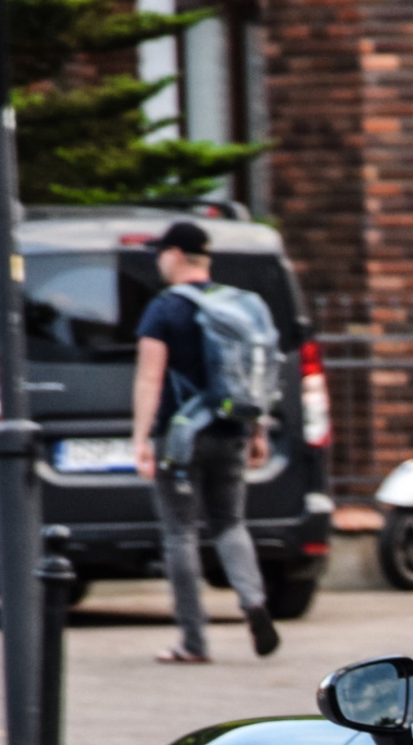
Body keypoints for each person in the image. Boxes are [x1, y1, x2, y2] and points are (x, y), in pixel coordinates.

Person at [130, 220, 276, 663]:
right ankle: (253, 602)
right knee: (230, 524)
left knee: (180, 534)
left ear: (175, 255)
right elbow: (255, 378)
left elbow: (150, 377)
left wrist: (140, 437)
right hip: (232, 430)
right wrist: (258, 431)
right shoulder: (240, 305)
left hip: (180, 439)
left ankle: (193, 642)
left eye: (160, 253)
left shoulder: (165, 309)